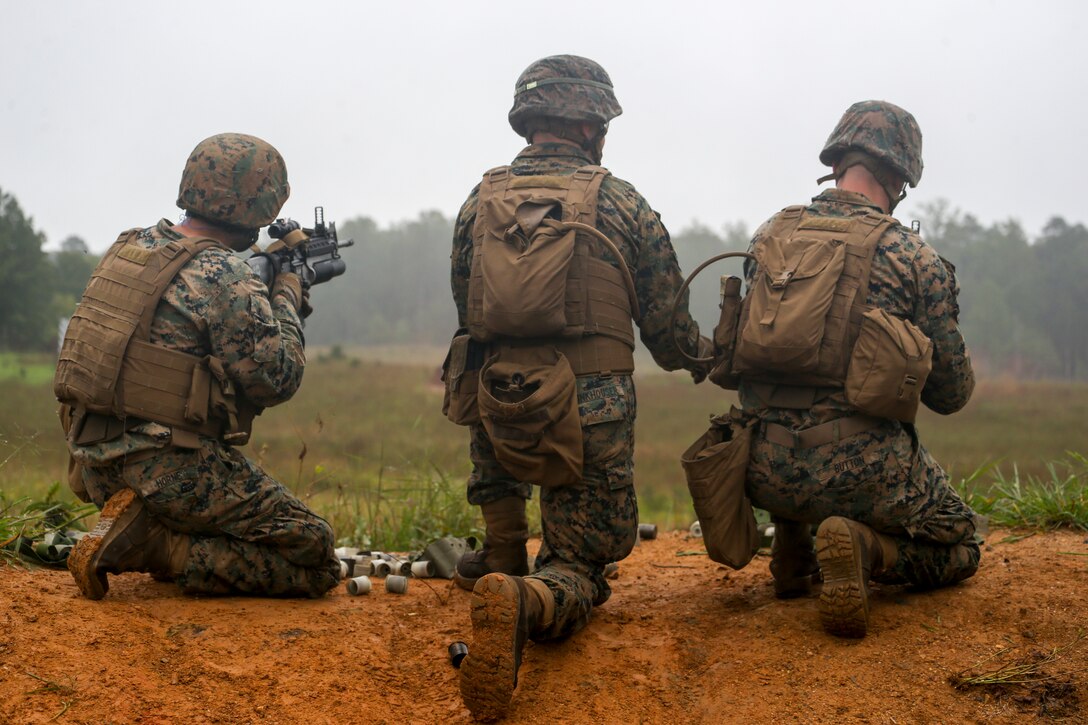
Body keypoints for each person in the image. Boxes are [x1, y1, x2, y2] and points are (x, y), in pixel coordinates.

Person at [446, 54, 709, 719]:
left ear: (527, 120)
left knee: (485, 376)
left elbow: (466, 311)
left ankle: (501, 550)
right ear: (594, 126)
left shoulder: (480, 201)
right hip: (587, 410)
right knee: (581, 564)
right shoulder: (620, 202)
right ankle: (528, 598)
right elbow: (669, 329)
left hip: (497, 399)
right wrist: (708, 357)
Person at [56, 133, 341, 600]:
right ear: (259, 204)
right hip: (167, 471)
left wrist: (262, 280)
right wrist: (288, 291)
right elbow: (277, 379)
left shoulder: (128, 247)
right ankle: (157, 545)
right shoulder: (227, 276)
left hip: (92, 462)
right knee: (314, 551)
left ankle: (140, 520)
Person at [734, 101, 980, 638]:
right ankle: (867, 549)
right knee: (963, 542)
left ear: (838, 162)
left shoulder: (770, 234)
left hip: (758, 468)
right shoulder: (914, 256)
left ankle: (793, 551)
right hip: (863, 476)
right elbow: (951, 392)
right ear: (899, 177)